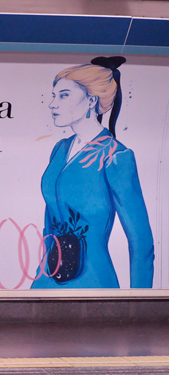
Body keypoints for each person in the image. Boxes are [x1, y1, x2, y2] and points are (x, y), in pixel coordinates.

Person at [31, 56, 154, 289]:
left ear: (90, 100)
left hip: (92, 280)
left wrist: (140, 300)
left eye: (64, 95)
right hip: (47, 275)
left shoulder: (116, 156)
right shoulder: (60, 149)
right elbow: (50, 220)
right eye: (54, 96)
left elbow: (141, 241)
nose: (53, 104)